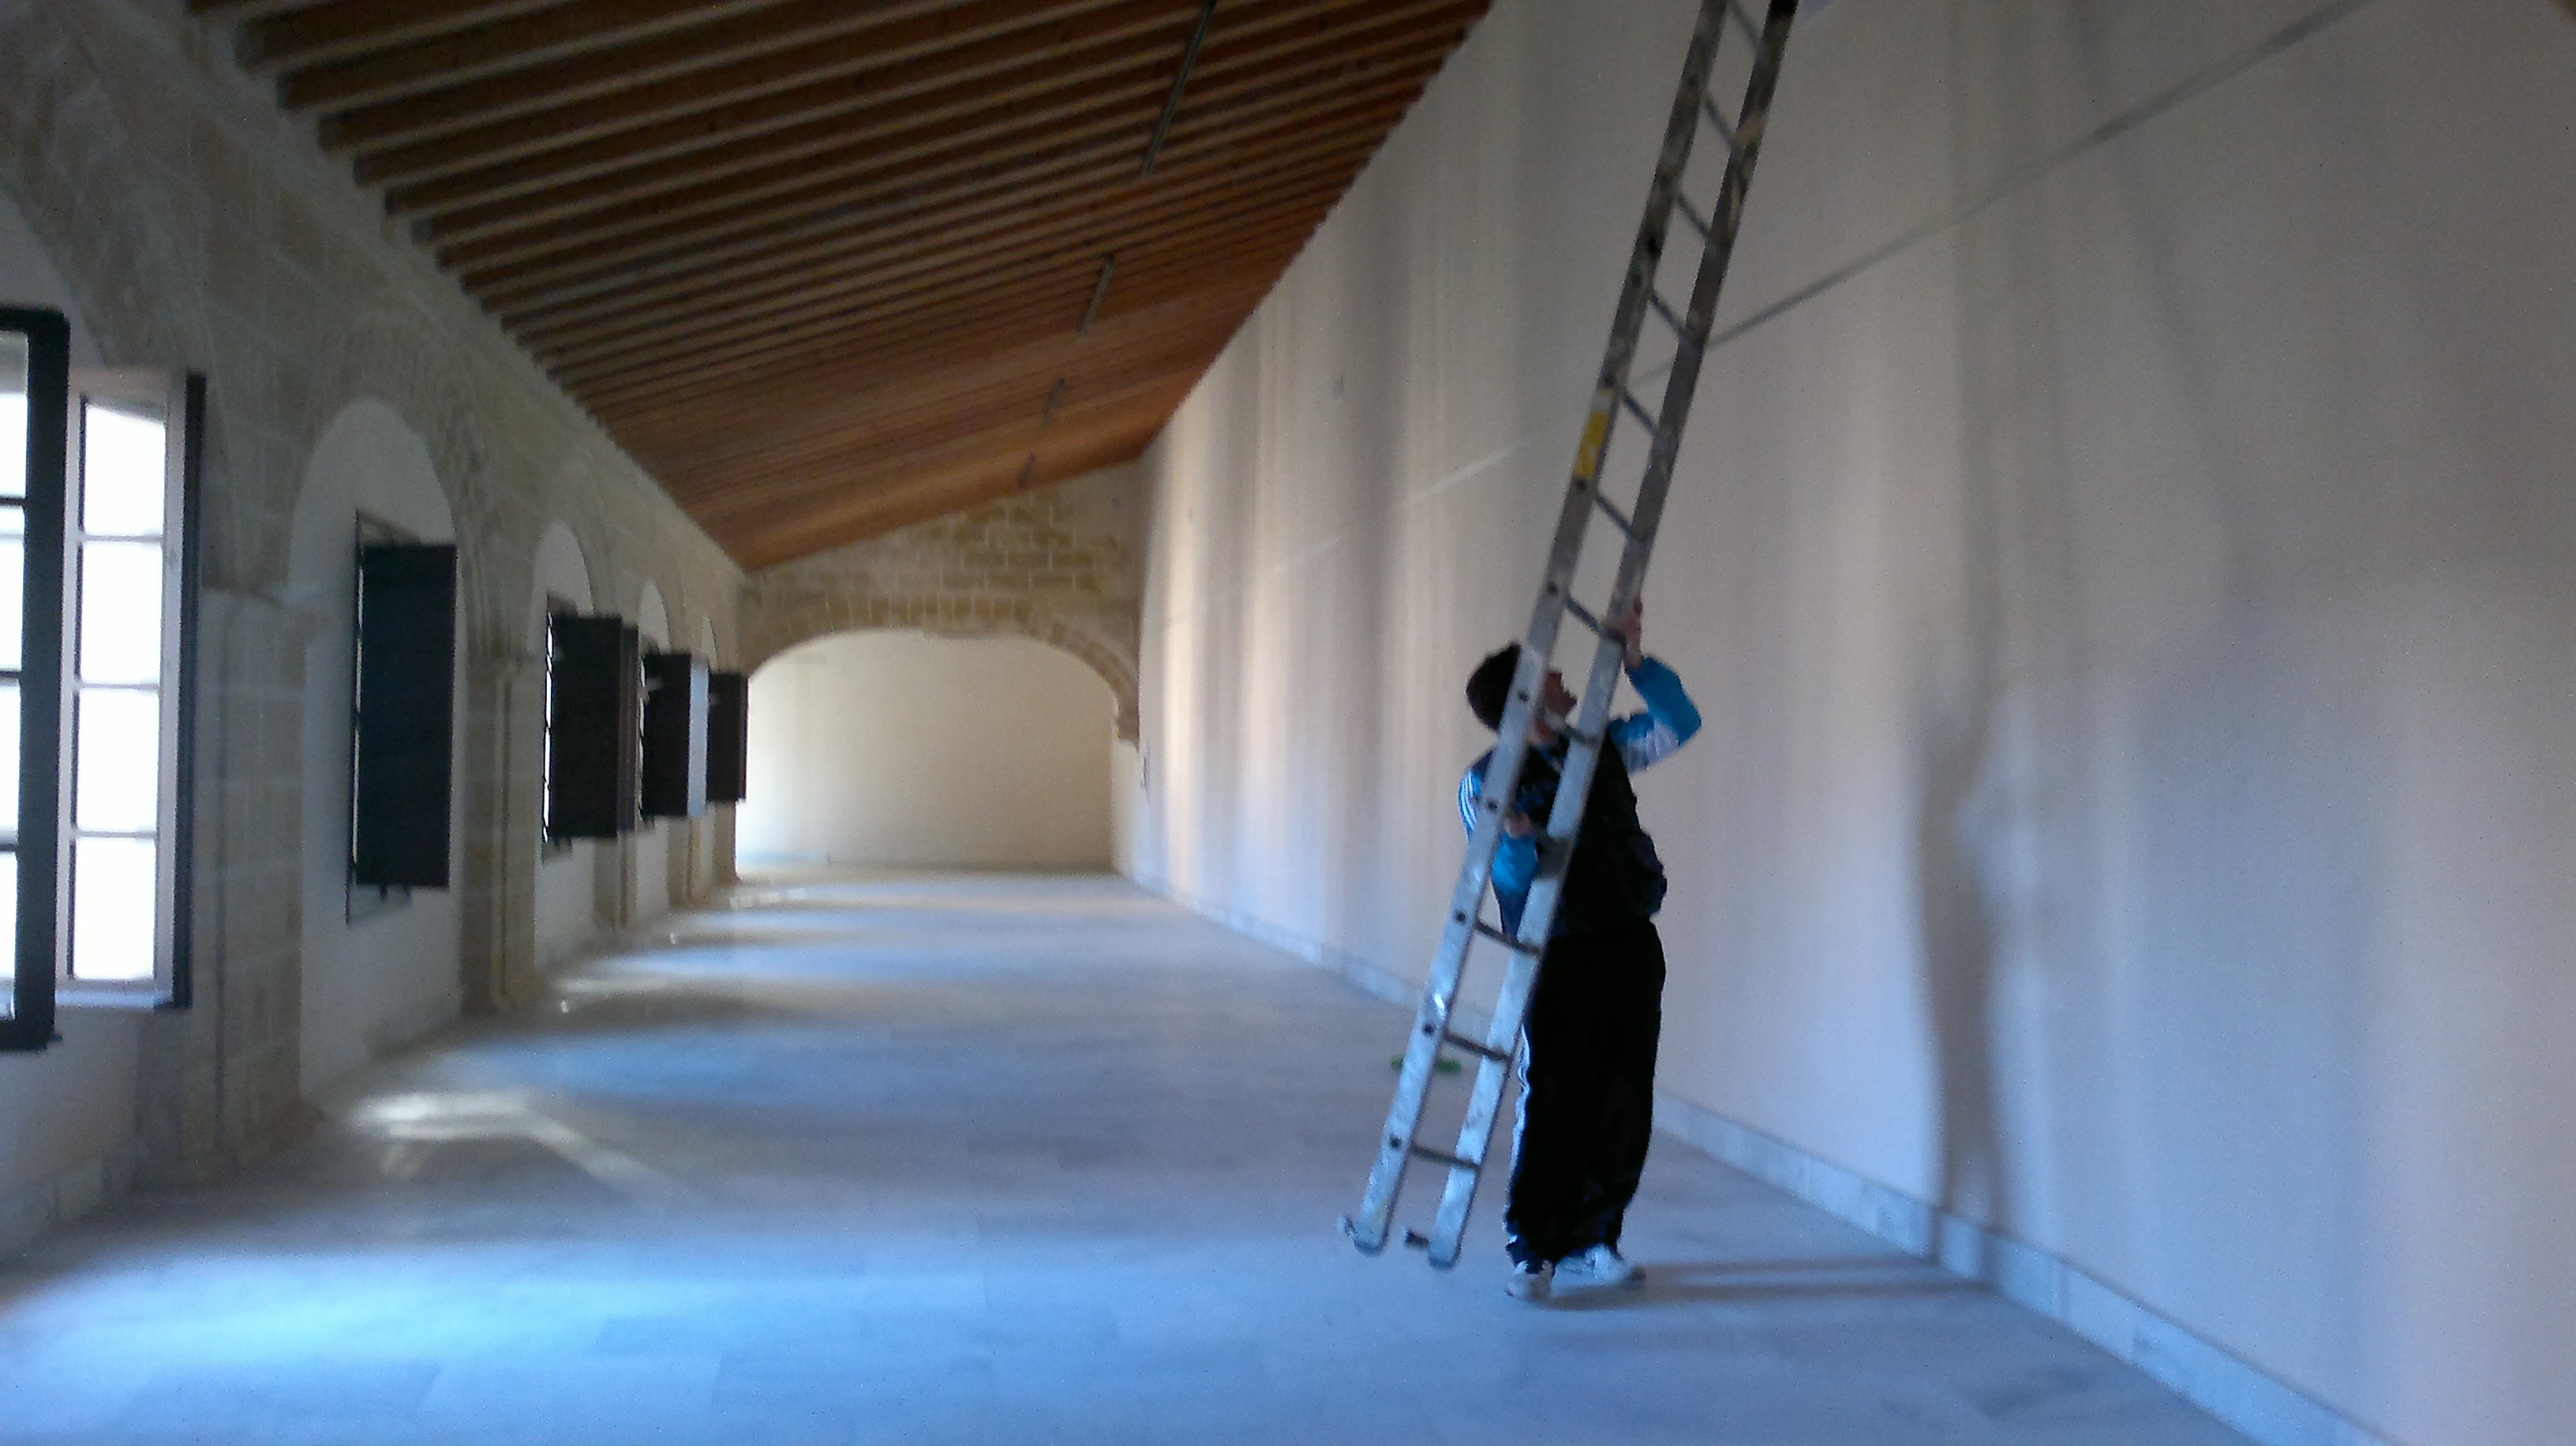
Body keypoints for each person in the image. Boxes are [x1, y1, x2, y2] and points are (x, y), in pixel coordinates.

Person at [1458, 598, 1700, 1302]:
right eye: (1552, 676)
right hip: (1554, 952)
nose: (1568, 682)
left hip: (1626, 936)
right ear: (1524, 697)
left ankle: (1596, 1241)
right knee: (1557, 1096)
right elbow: (1499, 880)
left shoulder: (1600, 748)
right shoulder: (1488, 781)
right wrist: (1520, 839)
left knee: (1624, 1095)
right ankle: (1535, 1248)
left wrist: (1637, 662)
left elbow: (1679, 724)